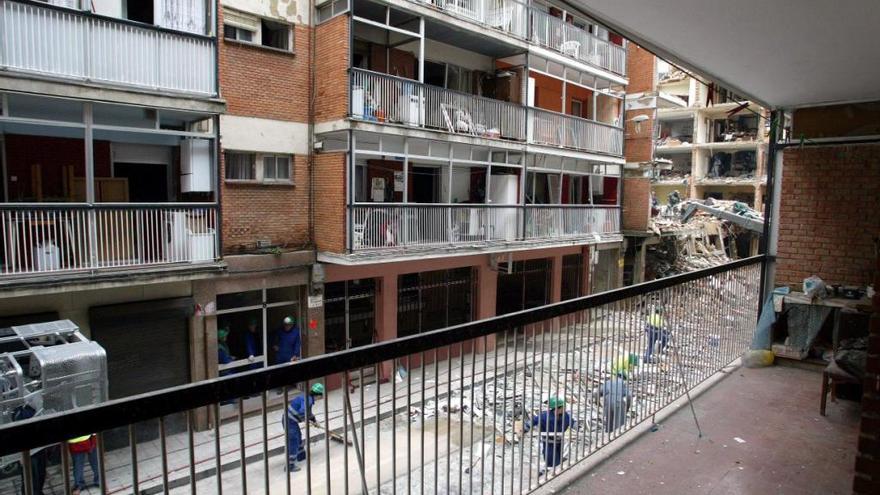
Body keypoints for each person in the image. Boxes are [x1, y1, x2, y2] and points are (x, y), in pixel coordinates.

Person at [523, 397, 576, 475]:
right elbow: (533, 421)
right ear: (556, 409)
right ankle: (549, 474)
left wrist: (578, 426)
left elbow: (572, 422)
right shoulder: (545, 417)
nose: (565, 408)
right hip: (549, 443)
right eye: (563, 406)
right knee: (553, 462)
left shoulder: (565, 416)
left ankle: (549, 471)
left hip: (559, 442)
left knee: (558, 459)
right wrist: (525, 429)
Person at [283, 383, 325, 472]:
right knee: (294, 441)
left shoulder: (306, 396)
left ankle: (301, 455)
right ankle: (289, 465)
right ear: (318, 395)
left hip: (290, 420)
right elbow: (303, 412)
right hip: (289, 421)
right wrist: (308, 420)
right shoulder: (308, 400)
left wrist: (314, 420)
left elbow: (308, 412)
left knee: (298, 436)